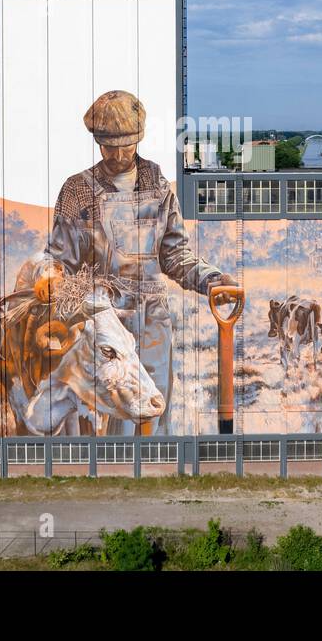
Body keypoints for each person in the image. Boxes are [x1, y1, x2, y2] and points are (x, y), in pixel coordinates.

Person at [37, 90, 237, 435]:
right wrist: (50, 275)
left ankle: (155, 481)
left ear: (138, 139)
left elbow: (175, 254)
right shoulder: (77, 190)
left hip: (153, 318)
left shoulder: (158, 184)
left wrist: (211, 279)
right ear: (97, 142)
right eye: (108, 145)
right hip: (104, 319)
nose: (117, 154)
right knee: (113, 412)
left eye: (125, 145)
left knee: (155, 411)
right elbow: (59, 257)